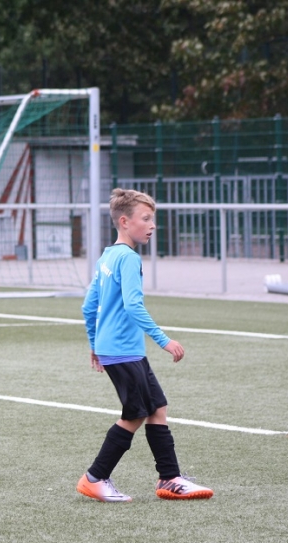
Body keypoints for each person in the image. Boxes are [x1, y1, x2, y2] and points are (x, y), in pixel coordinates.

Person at [77, 188, 213, 503]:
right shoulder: (127, 257)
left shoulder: (107, 256)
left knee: (156, 408)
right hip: (123, 350)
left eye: (153, 219)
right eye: (146, 218)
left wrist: (95, 343)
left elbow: (88, 306)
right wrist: (164, 340)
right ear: (124, 222)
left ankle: (170, 478)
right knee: (135, 414)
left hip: (120, 349)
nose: (152, 225)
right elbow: (133, 305)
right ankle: (95, 478)